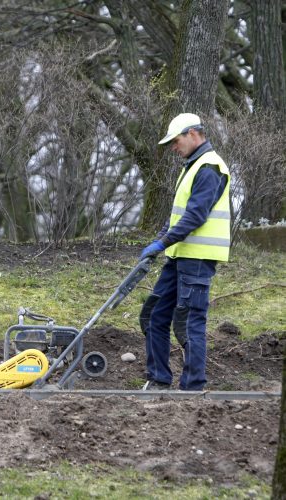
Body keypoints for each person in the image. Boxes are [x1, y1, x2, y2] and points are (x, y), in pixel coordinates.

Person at [139, 113, 231, 391]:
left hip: (198, 260)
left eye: (176, 141)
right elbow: (178, 215)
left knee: (190, 321)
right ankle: (158, 380)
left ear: (193, 134)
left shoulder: (210, 168)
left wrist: (162, 243)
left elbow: (195, 216)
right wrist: (160, 241)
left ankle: (192, 388)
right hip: (179, 255)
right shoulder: (191, 167)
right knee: (154, 315)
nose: (173, 148)